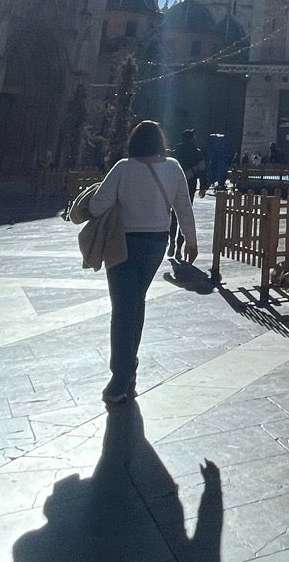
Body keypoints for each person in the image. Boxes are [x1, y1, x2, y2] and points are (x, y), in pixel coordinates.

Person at [88, 121, 196, 407]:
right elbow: (183, 206)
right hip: (156, 244)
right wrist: (192, 240)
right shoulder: (173, 168)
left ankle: (120, 378)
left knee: (122, 309)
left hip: (122, 243)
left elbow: (98, 206)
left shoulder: (123, 168)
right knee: (135, 302)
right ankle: (128, 369)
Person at [173, 128, 206, 201]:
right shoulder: (197, 152)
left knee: (175, 205)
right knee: (188, 204)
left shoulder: (176, 151)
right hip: (190, 181)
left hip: (176, 181)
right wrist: (202, 187)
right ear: (192, 139)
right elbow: (202, 170)